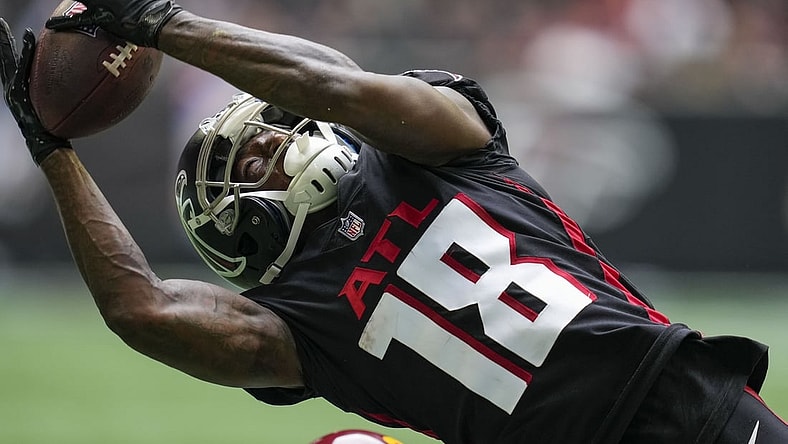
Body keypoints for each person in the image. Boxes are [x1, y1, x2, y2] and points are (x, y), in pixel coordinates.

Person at [2, 1, 787, 443]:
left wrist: (157, 21)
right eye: (248, 163)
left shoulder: (438, 150)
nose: (273, 145)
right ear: (232, 223)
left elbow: (331, 86)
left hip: (678, 404)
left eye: (268, 133)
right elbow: (142, 308)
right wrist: (51, 148)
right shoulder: (301, 326)